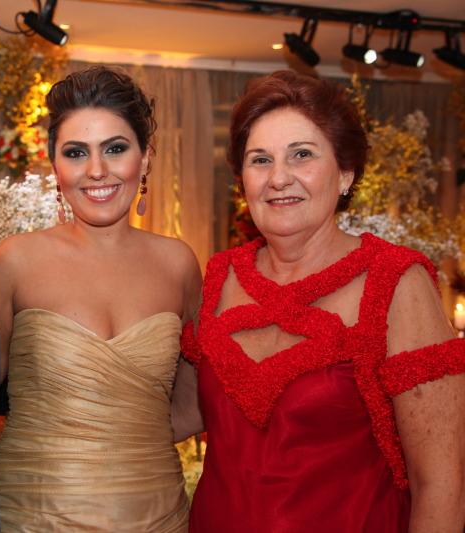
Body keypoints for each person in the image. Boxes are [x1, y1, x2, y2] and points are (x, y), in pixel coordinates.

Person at [181, 70, 465, 532]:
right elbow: (183, 413)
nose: (278, 178)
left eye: (302, 155)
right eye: (260, 160)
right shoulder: (218, 277)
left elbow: (443, 485)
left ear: (346, 173)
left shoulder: (396, 281)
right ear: (242, 180)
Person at [0, 66, 203, 532]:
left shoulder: (178, 263)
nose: (97, 170)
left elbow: (197, 400)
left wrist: (124, 447)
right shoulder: (14, 261)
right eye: (76, 152)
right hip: (33, 516)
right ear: (55, 165)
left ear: (145, 158)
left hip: (156, 514)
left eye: (115, 148)